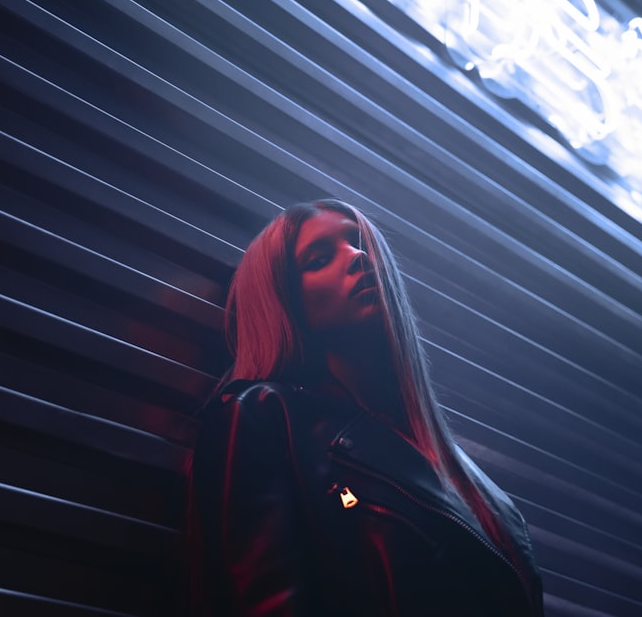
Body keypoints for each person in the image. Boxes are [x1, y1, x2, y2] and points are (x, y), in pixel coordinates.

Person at [187, 199, 544, 616]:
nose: (357, 257)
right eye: (319, 259)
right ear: (282, 300)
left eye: (359, 244)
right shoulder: (266, 416)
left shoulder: (484, 491)